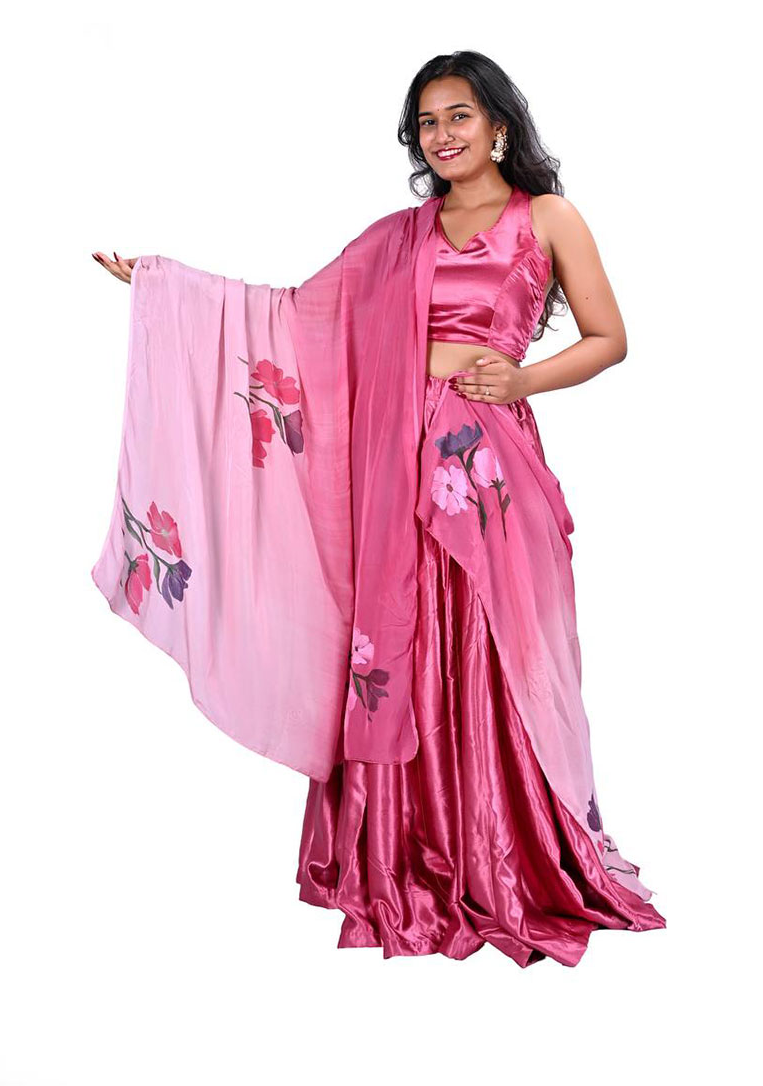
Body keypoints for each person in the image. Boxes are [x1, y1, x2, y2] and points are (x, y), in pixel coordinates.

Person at [92, 50, 666, 967]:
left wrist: (522, 378)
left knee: (488, 646)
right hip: (393, 462)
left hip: (486, 466)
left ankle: (507, 850)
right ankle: (410, 852)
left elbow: (611, 338)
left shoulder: (547, 218)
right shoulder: (400, 236)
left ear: (499, 126)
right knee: (407, 643)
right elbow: (297, 314)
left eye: (459, 116)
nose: (442, 135)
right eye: (427, 123)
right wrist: (166, 285)